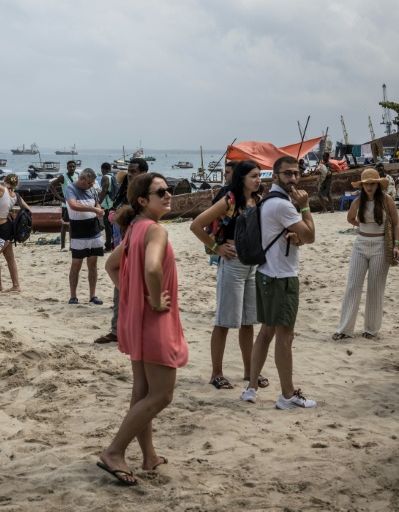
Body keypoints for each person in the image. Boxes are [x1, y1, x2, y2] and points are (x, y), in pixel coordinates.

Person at [97, 172, 188, 486]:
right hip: (155, 320)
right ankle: (114, 451)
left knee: (142, 392)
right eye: (160, 191)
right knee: (161, 395)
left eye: (168, 189)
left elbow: (111, 266)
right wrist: (154, 298)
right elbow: (151, 267)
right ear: (142, 200)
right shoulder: (155, 230)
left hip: (137, 320)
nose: (168, 194)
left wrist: (132, 295)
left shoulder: (135, 227)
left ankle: (149, 456)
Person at [241, 156, 317, 409]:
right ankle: (287, 396)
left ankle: (251, 387)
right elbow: (310, 236)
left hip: (265, 273)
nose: (293, 178)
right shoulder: (283, 205)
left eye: (296, 173)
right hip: (281, 277)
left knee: (266, 332)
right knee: (285, 336)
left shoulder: (267, 200)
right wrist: (305, 206)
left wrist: (295, 236)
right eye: (287, 173)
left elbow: (289, 235)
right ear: (275, 176)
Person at [190, 161, 265, 390]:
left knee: (248, 321)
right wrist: (217, 248)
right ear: (242, 178)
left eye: (259, 175)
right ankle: (216, 373)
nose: (258, 180)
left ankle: (249, 370)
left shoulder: (257, 200)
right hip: (232, 263)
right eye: (254, 176)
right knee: (224, 321)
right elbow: (196, 225)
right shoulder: (228, 201)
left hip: (252, 264)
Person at [332, 169, 399, 340]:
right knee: (352, 286)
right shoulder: (357, 201)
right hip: (360, 244)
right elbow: (350, 218)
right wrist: (362, 225)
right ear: (362, 185)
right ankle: (345, 329)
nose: (369, 187)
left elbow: (396, 223)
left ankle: (371, 330)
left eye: (372, 183)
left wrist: (396, 245)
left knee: (376, 288)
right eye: (366, 184)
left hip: (381, 245)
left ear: (378, 184)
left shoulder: (387, 199)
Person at [94, 160, 147, 344]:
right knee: (119, 288)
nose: (130, 174)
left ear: (143, 172)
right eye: (129, 171)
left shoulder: (147, 195)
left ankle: (138, 331)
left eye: (134, 171)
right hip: (122, 245)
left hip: (139, 246)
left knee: (138, 290)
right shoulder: (126, 191)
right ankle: (117, 331)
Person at [0, 173, 30, 292]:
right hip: (8, 227)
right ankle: (16, 285)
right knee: (10, 257)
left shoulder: (1, 190)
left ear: (5, 180)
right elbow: (28, 209)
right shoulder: (15, 195)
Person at [65, 168, 105, 305]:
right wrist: (93, 209)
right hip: (78, 231)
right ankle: (73, 296)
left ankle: (93, 295)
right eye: (88, 183)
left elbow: (97, 202)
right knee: (76, 264)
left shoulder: (92, 188)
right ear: (81, 179)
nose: (90, 185)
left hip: (94, 229)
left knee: (93, 264)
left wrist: (98, 210)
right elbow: (73, 205)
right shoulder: (71, 188)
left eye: (92, 183)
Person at [49, 160, 78, 251]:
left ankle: (72, 246)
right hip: (66, 205)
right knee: (65, 225)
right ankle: (62, 246)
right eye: (70, 167)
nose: (72, 168)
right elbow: (51, 185)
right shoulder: (63, 177)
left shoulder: (77, 176)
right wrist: (59, 198)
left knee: (73, 225)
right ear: (67, 168)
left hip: (75, 204)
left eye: (73, 166)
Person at [98, 162, 117, 252]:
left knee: (107, 226)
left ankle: (108, 246)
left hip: (107, 205)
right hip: (114, 204)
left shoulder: (105, 177)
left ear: (103, 169)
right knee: (113, 226)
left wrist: (98, 203)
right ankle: (114, 244)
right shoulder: (114, 177)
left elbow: (104, 191)